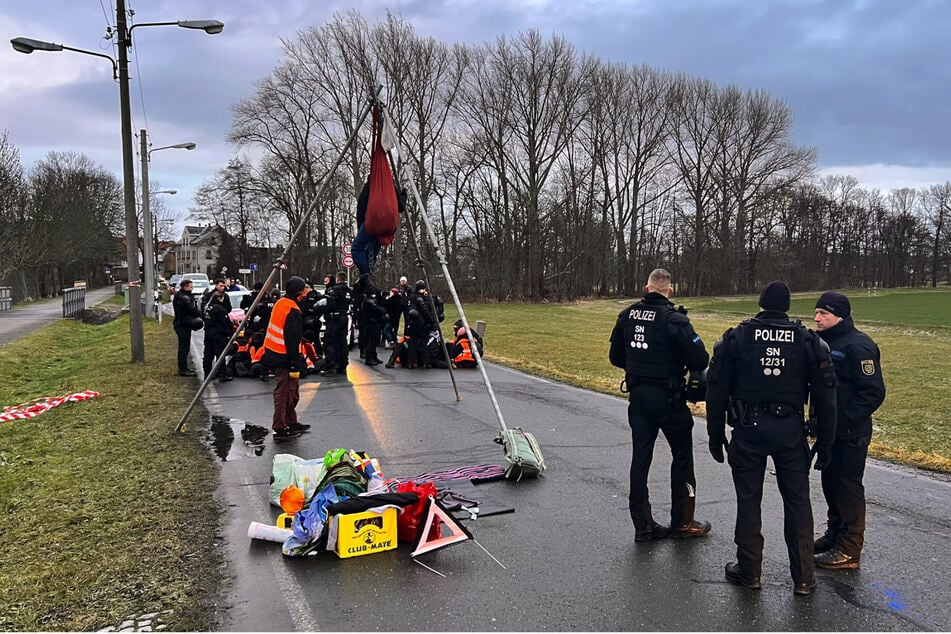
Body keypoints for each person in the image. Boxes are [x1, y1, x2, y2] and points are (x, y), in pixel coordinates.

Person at [705, 281, 837, 596]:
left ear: (761, 303)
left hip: (748, 429)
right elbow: (827, 397)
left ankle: (749, 571)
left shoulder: (736, 338)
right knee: (798, 503)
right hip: (790, 432)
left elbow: (716, 391)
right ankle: (804, 577)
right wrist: (826, 441)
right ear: (788, 306)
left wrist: (714, 434)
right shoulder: (808, 342)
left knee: (749, 501)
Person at [609, 268, 711, 543]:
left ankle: (643, 525)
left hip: (639, 397)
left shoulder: (627, 315)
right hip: (669, 398)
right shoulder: (675, 320)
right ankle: (683, 522)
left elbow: (615, 357)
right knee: (682, 458)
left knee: (640, 459)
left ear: (646, 287)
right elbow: (701, 360)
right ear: (670, 291)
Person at [812, 291, 885, 570]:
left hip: (850, 434)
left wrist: (843, 423)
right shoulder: (822, 343)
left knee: (847, 486)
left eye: (823, 314)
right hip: (829, 433)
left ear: (839, 315)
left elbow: (873, 392)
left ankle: (849, 549)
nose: (817, 318)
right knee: (830, 484)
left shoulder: (859, 346)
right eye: (817, 312)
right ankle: (835, 535)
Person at [261, 276, 312, 441]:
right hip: (284, 357)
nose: (306, 292)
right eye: (304, 289)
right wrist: (295, 363)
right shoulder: (293, 311)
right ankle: (280, 427)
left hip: (273, 353)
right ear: (299, 292)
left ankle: (290, 421)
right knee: (285, 393)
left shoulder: (281, 303)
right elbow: (292, 340)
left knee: (291, 391)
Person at [352, 178, 407, 284]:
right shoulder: (391, 188)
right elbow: (400, 207)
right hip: (387, 226)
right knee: (372, 252)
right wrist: (403, 197)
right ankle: (368, 272)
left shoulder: (371, 186)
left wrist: (361, 226)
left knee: (357, 249)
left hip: (372, 222)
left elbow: (361, 205)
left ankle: (365, 274)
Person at [317, 271, 352, 375]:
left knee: (330, 342)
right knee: (342, 342)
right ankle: (342, 365)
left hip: (334, 318)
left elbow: (329, 304)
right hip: (344, 317)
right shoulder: (348, 290)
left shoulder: (334, 290)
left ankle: (331, 366)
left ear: (337, 279)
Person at [201, 290, 234, 382]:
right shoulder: (219, 308)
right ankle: (222, 374)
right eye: (222, 298)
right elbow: (225, 322)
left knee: (208, 354)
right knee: (220, 355)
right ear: (219, 298)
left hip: (208, 333)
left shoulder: (207, 307)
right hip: (218, 334)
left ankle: (207, 374)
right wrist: (230, 330)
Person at [172, 279, 201, 376]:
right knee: (183, 347)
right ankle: (183, 369)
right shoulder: (184, 297)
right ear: (185, 287)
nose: (192, 288)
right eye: (190, 287)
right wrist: (200, 315)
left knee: (185, 346)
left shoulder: (183, 295)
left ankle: (184, 368)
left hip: (183, 323)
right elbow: (192, 309)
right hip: (182, 324)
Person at [360, 285, 389, 366]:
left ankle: (373, 356)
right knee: (373, 341)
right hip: (372, 323)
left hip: (373, 322)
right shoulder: (369, 302)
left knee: (374, 341)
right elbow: (378, 309)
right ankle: (369, 358)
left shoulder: (369, 301)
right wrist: (383, 311)